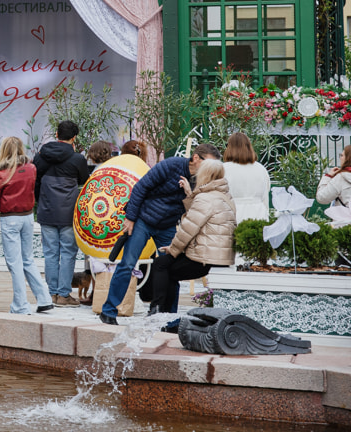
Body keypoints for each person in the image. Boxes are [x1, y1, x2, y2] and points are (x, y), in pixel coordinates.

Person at [98, 142, 222, 325]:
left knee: (171, 269)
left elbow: (198, 209)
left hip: (168, 225)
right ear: (196, 158)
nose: (211, 169)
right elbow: (141, 187)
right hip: (143, 220)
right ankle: (108, 311)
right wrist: (131, 218)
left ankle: (169, 319)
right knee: (128, 264)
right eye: (208, 164)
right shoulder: (171, 165)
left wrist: (190, 194)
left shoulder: (204, 181)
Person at [147, 160, 235, 329]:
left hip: (204, 258)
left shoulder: (205, 198)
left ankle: (157, 311)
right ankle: (166, 317)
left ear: (205, 176)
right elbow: (197, 217)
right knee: (169, 269)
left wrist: (173, 249)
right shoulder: (224, 196)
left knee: (160, 264)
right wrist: (190, 195)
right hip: (218, 255)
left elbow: (188, 229)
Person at [0, 136, 54, 315]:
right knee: (28, 259)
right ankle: (44, 298)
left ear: (4, 151)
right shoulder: (31, 168)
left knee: (15, 263)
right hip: (27, 217)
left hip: (10, 218)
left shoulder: (2, 173)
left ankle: (21, 305)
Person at [34, 120, 90, 307]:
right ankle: (64, 295)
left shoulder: (41, 156)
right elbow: (84, 180)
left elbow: (36, 181)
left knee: (50, 253)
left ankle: (51, 294)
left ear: (56, 135)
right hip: (68, 213)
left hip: (47, 210)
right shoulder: (78, 159)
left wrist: (39, 202)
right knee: (68, 253)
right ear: (74, 138)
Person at [222, 131, 271, 222]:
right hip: (258, 214)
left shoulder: (224, 169)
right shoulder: (261, 169)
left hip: (232, 214)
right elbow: (265, 195)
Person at [318, 146, 351, 213]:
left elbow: (322, 197)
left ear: (348, 158)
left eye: (342, 155)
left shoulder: (341, 178)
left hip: (345, 221)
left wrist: (328, 176)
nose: (340, 158)